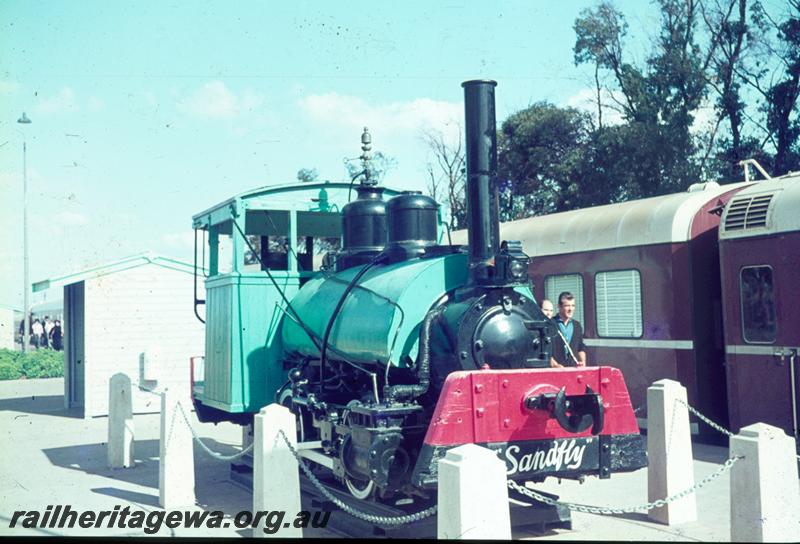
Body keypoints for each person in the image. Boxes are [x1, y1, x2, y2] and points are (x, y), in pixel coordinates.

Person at [550, 291, 587, 368]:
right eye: (567, 306)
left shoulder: (577, 326)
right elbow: (545, 351)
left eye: (573, 306)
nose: (571, 309)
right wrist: (555, 365)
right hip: (556, 370)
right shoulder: (550, 324)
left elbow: (580, 347)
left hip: (573, 368)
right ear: (559, 306)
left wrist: (582, 362)